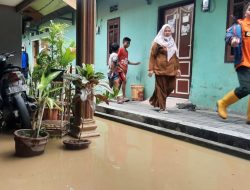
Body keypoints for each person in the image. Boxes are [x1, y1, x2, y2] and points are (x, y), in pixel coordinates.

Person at [217, 2, 250, 124]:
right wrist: (232, 40)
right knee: (246, 88)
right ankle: (223, 103)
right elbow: (228, 36)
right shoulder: (239, 25)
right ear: (246, 11)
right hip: (243, 62)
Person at [148, 24, 181, 113]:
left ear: (171, 32)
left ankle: (156, 99)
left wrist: (178, 68)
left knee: (171, 86)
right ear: (162, 31)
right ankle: (162, 108)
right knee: (161, 88)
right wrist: (151, 69)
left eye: (169, 31)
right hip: (160, 69)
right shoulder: (157, 42)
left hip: (171, 69)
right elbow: (152, 55)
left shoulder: (172, 42)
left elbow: (175, 56)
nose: (167, 32)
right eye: (165, 31)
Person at [115, 37, 141, 104]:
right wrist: (120, 66)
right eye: (127, 43)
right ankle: (124, 96)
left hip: (125, 70)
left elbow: (127, 61)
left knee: (120, 83)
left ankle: (115, 95)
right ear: (123, 42)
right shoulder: (120, 49)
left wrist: (135, 63)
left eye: (129, 43)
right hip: (120, 70)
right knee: (124, 81)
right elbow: (116, 59)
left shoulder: (127, 52)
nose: (128, 44)